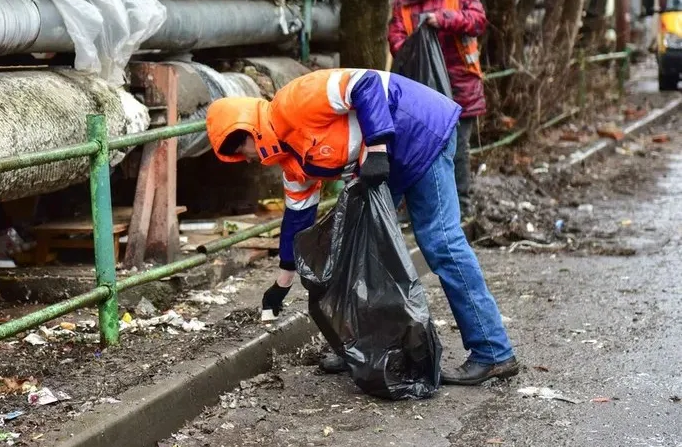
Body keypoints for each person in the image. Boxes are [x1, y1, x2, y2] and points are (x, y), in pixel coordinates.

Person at [205, 68, 517, 385]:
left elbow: (364, 83)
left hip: (420, 131)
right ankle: (363, 348)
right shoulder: (293, 164)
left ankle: (492, 351)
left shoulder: (295, 101)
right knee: (358, 247)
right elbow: (297, 221)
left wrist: (378, 149)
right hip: (386, 159)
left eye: (238, 152)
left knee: (441, 243)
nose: (244, 160)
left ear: (245, 132)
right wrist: (281, 285)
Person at [388, 0, 487, 218]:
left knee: (458, 150)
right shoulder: (403, 5)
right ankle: (425, 209)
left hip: (460, 84)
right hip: (425, 87)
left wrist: (443, 19)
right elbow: (396, 39)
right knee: (421, 149)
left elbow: (478, 20)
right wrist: (410, 46)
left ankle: (461, 207)